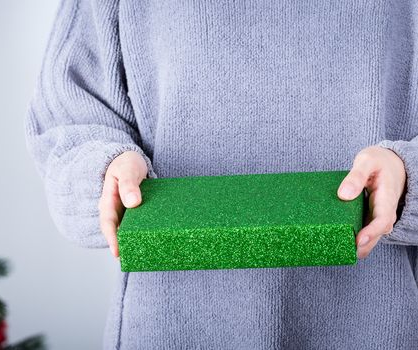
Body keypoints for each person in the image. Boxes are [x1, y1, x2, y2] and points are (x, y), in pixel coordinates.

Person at [24, 0, 418, 348]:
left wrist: (407, 178)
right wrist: (106, 169)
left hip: (377, 315)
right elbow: (68, 119)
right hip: (174, 321)